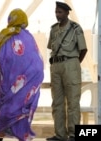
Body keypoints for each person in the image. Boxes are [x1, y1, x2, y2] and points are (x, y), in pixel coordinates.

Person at [0, 8, 44, 141]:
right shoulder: (29, 36)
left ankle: (1, 133)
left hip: (13, 79)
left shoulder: (6, 34)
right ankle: (23, 135)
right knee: (23, 105)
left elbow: (1, 56)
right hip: (33, 77)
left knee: (7, 104)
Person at [46, 2, 87, 141]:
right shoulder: (53, 30)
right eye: (56, 12)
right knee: (57, 102)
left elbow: (83, 49)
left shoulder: (75, 28)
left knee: (73, 102)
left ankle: (74, 134)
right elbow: (51, 49)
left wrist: (74, 64)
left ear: (67, 13)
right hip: (56, 66)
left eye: (60, 12)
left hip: (71, 64)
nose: (57, 15)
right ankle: (60, 135)